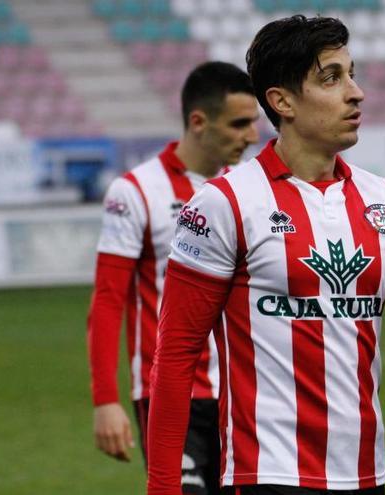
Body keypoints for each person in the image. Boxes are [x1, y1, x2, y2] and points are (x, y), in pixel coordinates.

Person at [147, 14, 385, 495]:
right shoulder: (224, 203)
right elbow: (176, 355)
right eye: (331, 78)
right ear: (282, 101)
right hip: (266, 474)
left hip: (363, 474)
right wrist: (162, 487)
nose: (356, 92)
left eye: (352, 74)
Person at [87, 61, 260, 494]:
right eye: (240, 124)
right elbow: (109, 300)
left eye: (254, 123)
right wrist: (106, 399)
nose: (252, 135)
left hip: (243, 395)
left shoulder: (248, 191)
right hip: (168, 393)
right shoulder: (134, 191)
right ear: (198, 122)